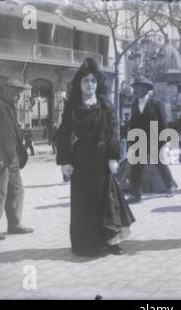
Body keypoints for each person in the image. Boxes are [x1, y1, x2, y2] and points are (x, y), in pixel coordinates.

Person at [55, 57, 135, 256]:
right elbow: (64, 134)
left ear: (97, 83)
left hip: (102, 161)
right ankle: (86, 244)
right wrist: (65, 161)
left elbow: (113, 132)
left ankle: (111, 241)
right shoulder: (72, 107)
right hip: (81, 162)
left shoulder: (105, 105)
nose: (90, 84)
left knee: (107, 201)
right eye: (85, 81)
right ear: (79, 84)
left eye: (93, 80)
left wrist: (113, 157)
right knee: (83, 203)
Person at [0, 79, 34, 241]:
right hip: (2, 157)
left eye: (20, 91)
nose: (18, 95)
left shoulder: (11, 106)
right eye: (15, 90)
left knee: (17, 190)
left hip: (13, 157)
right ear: (5, 89)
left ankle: (14, 224)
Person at [125, 76, 176, 204]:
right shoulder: (135, 104)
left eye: (139, 88)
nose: (136, 90)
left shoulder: (156, 103)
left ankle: (170, 186)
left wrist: (166, 142)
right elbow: (133, 123)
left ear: (146, 89)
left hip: (155, 139)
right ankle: (135, 194)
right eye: (135, 88)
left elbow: (163, 122)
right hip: (139, 140)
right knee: (136, 167)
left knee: (161, 164)